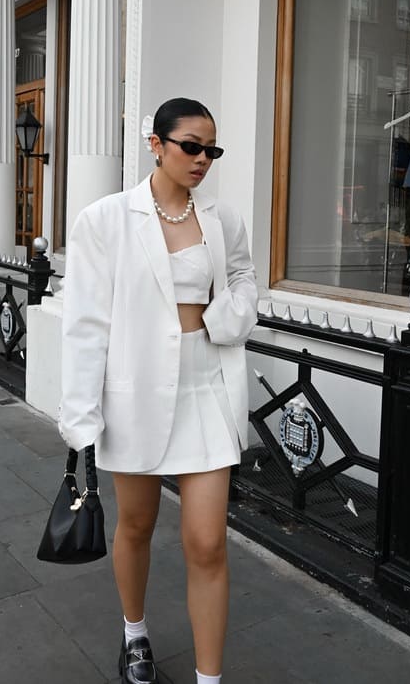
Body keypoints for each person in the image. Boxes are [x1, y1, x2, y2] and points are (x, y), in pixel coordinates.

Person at [59, 98, 258, 684]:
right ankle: (135, 632)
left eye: (211, 150)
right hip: (136, 390)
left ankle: (209, 679)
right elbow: (86, 323)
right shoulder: (106, 219)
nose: (202, 159)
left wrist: (228, 317)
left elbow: (244, 278)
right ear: (156, 144)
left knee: (207, 543)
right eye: (190, 146)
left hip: (207, 385)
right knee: (137, 525)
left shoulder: (222, 219)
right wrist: (82, 414)